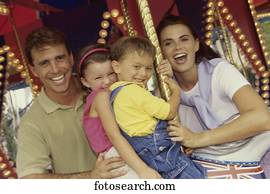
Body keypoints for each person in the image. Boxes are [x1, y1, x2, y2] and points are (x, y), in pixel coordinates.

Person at [156, 14, 270, 178]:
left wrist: (197, 139)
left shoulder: (219, 71)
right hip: (208, 161)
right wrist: (163, 81)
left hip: (252, 149)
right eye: (168, 43)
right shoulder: (166, 91)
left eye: (184, 39)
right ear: (161, 53)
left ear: (196, 44)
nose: (177, 47)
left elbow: (262, 117)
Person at [16, 27, 126, 178]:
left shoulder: (102, 86)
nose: (55, 69)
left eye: (60, 58)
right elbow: (30, 179)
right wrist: (90, 177)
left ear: (71, 58)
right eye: (44, 63)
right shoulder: (32, 123)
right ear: (34, 70)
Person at [109, 36, 206, 179]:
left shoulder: (117, 93)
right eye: (136, 67)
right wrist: (176, 92)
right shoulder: (133, 91)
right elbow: (169, 112)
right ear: (116, 66)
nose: (143, 73)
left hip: (149, 153)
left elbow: (154, 105)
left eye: (148, 68)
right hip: (161, 153)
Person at [77, 43, 161, 178]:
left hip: (127, 150)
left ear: (117, 68)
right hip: (117, 156)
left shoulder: (118, 94)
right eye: (98, 77)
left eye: (111, 74)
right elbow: (115, 136)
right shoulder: (101, 97)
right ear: (85, 82)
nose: (107, 81)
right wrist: (142, 170)